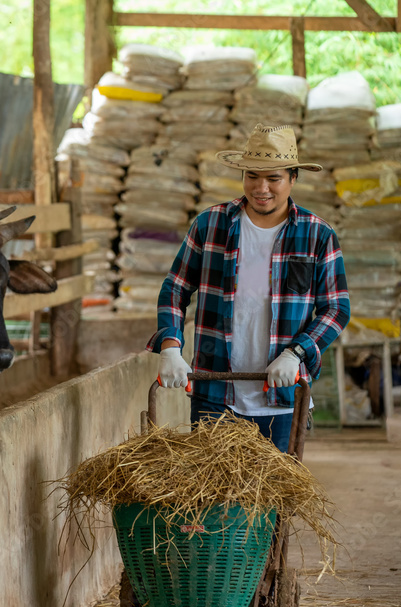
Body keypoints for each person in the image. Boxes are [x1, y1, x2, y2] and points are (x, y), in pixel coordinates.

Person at [148, 124, 350, 453]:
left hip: (282, 399)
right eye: (253, 176)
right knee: (216, 499)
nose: (262, 188)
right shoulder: (210, 225)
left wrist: (295, 353)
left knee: (276, 498)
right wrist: (171, 347)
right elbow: (175, 288)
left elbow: (337, 308)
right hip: (215, 395)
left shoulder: (318, 235)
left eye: (274, 178)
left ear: (293, 178)